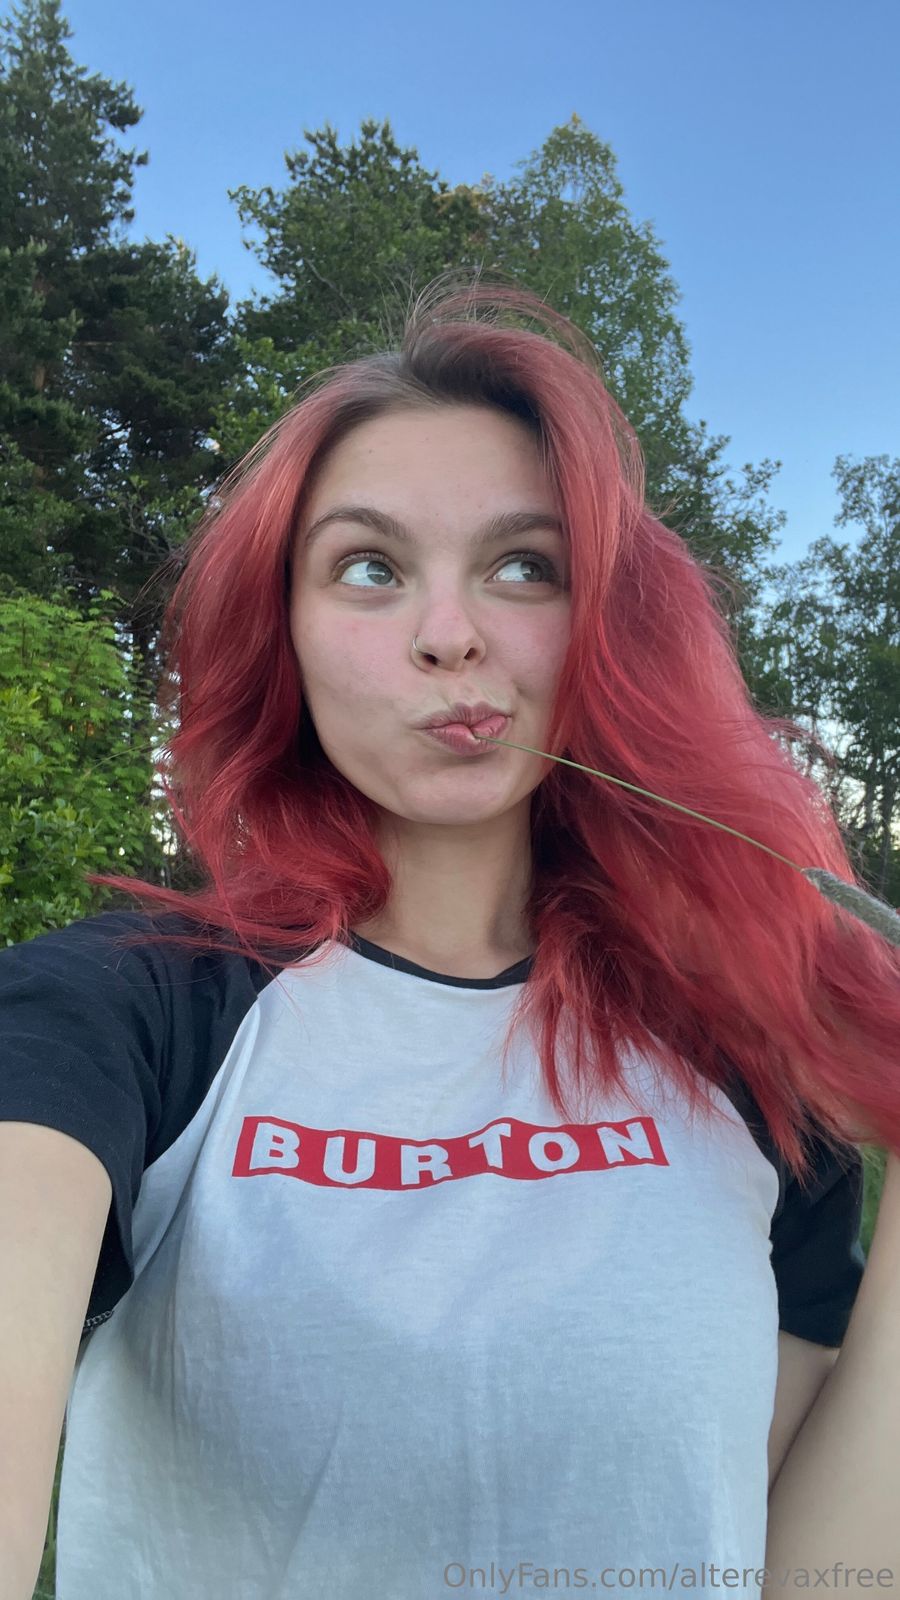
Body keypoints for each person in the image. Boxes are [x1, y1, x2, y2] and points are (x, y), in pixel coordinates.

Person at [1, 275, 888, 1599]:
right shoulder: (124, 1011)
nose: (450, 637)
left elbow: (801, 1567)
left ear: (608, 627)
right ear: (283, 633)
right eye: (370, 568)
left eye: (524, 566)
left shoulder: (744, 1052)